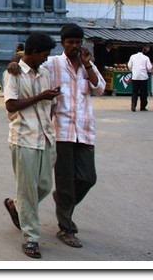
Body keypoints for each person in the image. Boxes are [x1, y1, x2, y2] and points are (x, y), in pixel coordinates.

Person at [29, 23, 105, 250]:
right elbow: (30, 64)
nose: (74, 46)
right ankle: (66, 228)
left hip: (84, 131)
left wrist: (88, 64)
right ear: (62, 43)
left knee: (87, 178)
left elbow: (99, 88)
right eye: (70, 42)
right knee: (65, 182)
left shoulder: (86, 66)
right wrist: (15, 64)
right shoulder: (52, 64)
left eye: (77, 42)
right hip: (61, 131)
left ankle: (63, 202)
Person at [2, 32, 60, 259]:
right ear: (33, 52)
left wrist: (49, 98)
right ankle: (31, 237)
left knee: (44, 185)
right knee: (27, 190)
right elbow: (11, 104)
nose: (46, 58)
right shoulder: (13, 73)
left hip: (45, 136)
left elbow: (48, 104)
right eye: (44, 54)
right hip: (23, 137)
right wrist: (40, 96)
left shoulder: (44, 73)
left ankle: (17, 207)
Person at [127, 47, 153, 112]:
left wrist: (133, 70)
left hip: (135, 77)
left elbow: (129, 65)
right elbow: (149, 67)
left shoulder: (132, 57)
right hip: (143, 77)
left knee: (134, 92)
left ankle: (133, 105)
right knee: (143, 93)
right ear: (142, 50)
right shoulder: (146, 57)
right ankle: (143, 106)